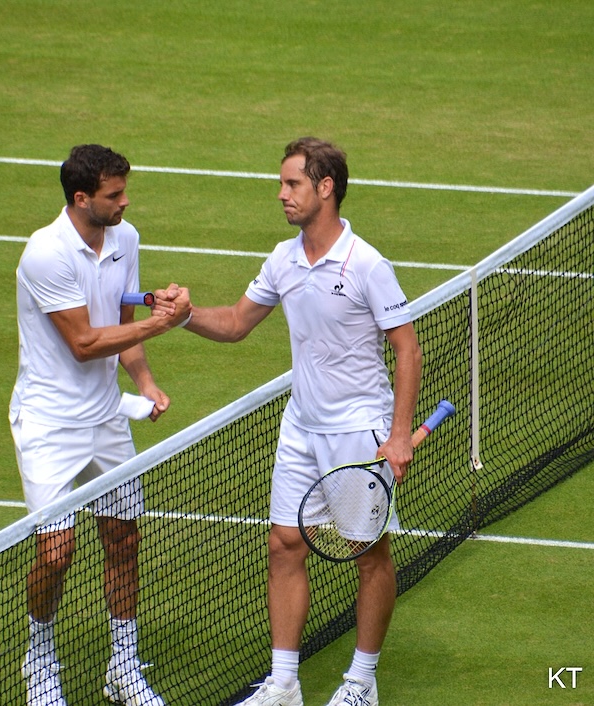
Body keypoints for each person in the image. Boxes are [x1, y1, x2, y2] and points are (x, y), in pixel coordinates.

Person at [165, 137, 422, 706]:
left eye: (292, 184)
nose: (281, 194)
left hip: (359, 432)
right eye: (282, 184)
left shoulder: (366, 265)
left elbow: (407, 348)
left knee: (368, 553)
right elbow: (234, 323)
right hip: (301, 428)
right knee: (284, 544)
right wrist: (183, 318)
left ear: (325, 188)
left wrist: (398, 433)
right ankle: (284, 683)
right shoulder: (282, 260)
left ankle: (361, 681)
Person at [11, 144, 191, 706]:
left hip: (106, 415)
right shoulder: (45, 254)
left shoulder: (126, 239)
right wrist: (163, 326)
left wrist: (146, 382)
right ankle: (39, 653)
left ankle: (123, 662)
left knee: (123, 538)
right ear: (81, 197)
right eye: (115, 195)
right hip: (47, 424)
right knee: (55, 553)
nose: (125, 201)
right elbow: (87, 343)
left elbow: (120, 322)